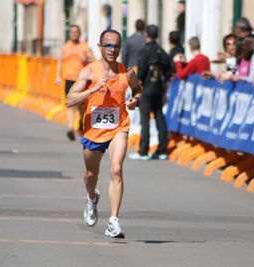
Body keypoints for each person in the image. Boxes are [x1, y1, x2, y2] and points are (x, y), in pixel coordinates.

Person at [66, 29, 143, 238]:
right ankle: (91, 198)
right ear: (99, 47)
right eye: (108, 45)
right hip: (94, 130)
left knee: (116, 169)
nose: (112, 49)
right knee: (92, 174)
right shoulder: (89, 72)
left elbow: (138, 89)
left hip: (119, 126)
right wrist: (92, 90)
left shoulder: (126, 72)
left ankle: (113, 221)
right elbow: (69, 100)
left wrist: (135, 100)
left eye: (116, 45)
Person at [128, 25, 170, 161]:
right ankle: (162, 149)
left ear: (146, 34)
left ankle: (143, 150)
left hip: (146, 89)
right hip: (158, 88)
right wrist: (164, 92)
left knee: (145, 119)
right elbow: (168, 74)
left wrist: (137, 90)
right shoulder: (163, 52)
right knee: (159, 118)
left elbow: (141, 73)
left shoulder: (144, 52)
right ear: (157, 35)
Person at [56, 25, 95, 141]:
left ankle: (80, 123)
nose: (74, 34)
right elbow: (60, 61)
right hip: (69, 79)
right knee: (71, 106)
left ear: (79, 33)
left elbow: (94, 60)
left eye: (76, 32)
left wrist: (86, 59)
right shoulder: (66, 47)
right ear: (69, 34)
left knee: (82, 107)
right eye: (72, 32)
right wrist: (58, 76)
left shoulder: (84, 46)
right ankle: (71, 129)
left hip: (81, 80)